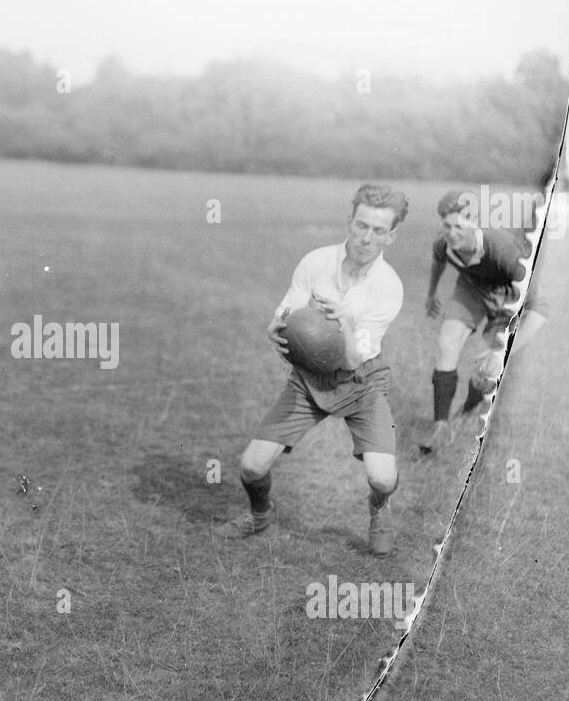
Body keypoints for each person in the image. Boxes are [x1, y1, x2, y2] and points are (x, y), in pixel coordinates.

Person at [214, 184, 406, 556]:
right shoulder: (316, 262)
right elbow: (287, 317)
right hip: (309, 381)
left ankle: (379, 510)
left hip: (361, 382)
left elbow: (353, 358)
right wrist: (277, 330)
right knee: (251, 468)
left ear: (391, 236)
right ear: (349, 221)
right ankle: (259, 514)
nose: (366, 238)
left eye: (378, 230)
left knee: (382, 478)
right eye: (361, 225)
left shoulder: (388, 288)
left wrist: (346, 322)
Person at [420, 189, 547, 452]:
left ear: (476, 221)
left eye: (459, 226)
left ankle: (466, 412)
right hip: (471, 289)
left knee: (487, 369)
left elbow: (539, 310)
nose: (452, 233)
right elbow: (438, 259)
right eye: (447, 226)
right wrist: (432, 293)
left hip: (506, 296)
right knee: (447, 343)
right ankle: (440, 426)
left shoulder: (503, 250)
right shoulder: (445, 244)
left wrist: (504, 354)